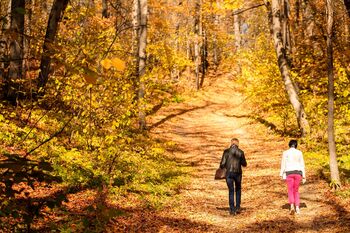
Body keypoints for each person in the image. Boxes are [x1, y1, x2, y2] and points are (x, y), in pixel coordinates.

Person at [220, 138, 247, 215]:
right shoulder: (241, 152)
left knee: (231, 190)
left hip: (229, 174)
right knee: (238, 189)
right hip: (238, 173)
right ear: (238, 144)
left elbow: (222, 164)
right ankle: (238, 207)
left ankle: (232, 209)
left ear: (231, 143)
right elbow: (244, 164)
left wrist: (224, 167)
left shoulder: (226, 152)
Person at [280, 139, 306, 214]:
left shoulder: (285, 153)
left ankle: (292, 206)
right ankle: (297, 207)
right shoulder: (299, 153)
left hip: (289, 173)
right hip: (298, 173)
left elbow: (283, 164)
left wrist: (281, 174)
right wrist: (304, 175)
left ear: (289, 145)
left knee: (290, 190)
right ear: (296, 145)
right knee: (296, 191)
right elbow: (302, 164)